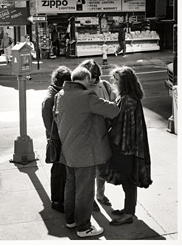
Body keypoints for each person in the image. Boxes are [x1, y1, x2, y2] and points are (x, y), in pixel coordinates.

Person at [54, 66, 119, 238]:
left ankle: (71, 220)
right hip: (84, 152)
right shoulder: (86, 96)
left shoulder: (60, 95)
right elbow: (112, 110)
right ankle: (84, 227)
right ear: (87, 80)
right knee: (85, 190)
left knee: (71, 186)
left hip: (67, 150)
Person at [102, 66, 152, 226]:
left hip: (125, 146)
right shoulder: (129, 97)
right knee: (127, 179)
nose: (114, 82)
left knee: (128, 180)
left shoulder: (126, 100)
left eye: (116, 80)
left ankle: (129, 213)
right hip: (130, 145)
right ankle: (128, 209)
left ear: (124, 82)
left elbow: (119, 124)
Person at [79, 59, 116, 211]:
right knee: (89, 170)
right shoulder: (81, 88)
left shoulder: (105, 85)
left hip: (103, 132)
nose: (93, 79)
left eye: (96, 76)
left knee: (102, 167)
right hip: (87, 134)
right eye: (91, 76)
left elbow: (113, 102)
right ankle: (90, 197)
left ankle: (100, 194)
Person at [42, 66, 72, 213]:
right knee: (58, 171)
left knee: (61, 171)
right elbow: (49, 124)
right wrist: (59, 138)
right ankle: (56, 200)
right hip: (57, 139)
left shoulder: (55, 93)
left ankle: (60, 198)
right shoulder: (51, 98)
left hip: (60, 137)